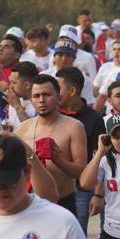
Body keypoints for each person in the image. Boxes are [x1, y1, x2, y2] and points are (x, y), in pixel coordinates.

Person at [15, 75, 88, 216]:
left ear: (59, 98)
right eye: (36, 96)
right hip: (30, 202)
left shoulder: (74, 126)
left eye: (47, 95)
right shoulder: (23, 128)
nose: (41, 100)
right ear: (31, 101)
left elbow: (81, 172)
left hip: (63, 202)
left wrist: (57, 159)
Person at [57, 67, 106, 238]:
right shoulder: (51, 115)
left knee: (76, 238)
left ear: (72, 91)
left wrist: (98, 192)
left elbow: (101, 159)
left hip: (81, 190)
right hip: (53, 186)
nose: (53, 94)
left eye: (58, 89)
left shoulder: (94, 118)